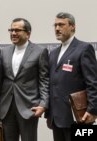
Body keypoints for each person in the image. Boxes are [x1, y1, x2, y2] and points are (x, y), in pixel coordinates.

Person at [46, 12, 97, 141]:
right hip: (56, 117)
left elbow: (93, 82)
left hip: (79, 116)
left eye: (61, 25)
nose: (57, 28)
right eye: (55, 25)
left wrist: (93, 110)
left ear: (72, 27)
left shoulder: (84, 48)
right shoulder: (53, 53)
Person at [0, 18, 49, 141]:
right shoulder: (4, 51)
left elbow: (44, 80)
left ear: (28, 33)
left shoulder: (40, 51)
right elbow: (0, 81)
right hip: (6, 107)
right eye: (11, 30)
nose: (13, 33)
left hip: (29, 107)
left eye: (17, 30)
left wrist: (43, 104)